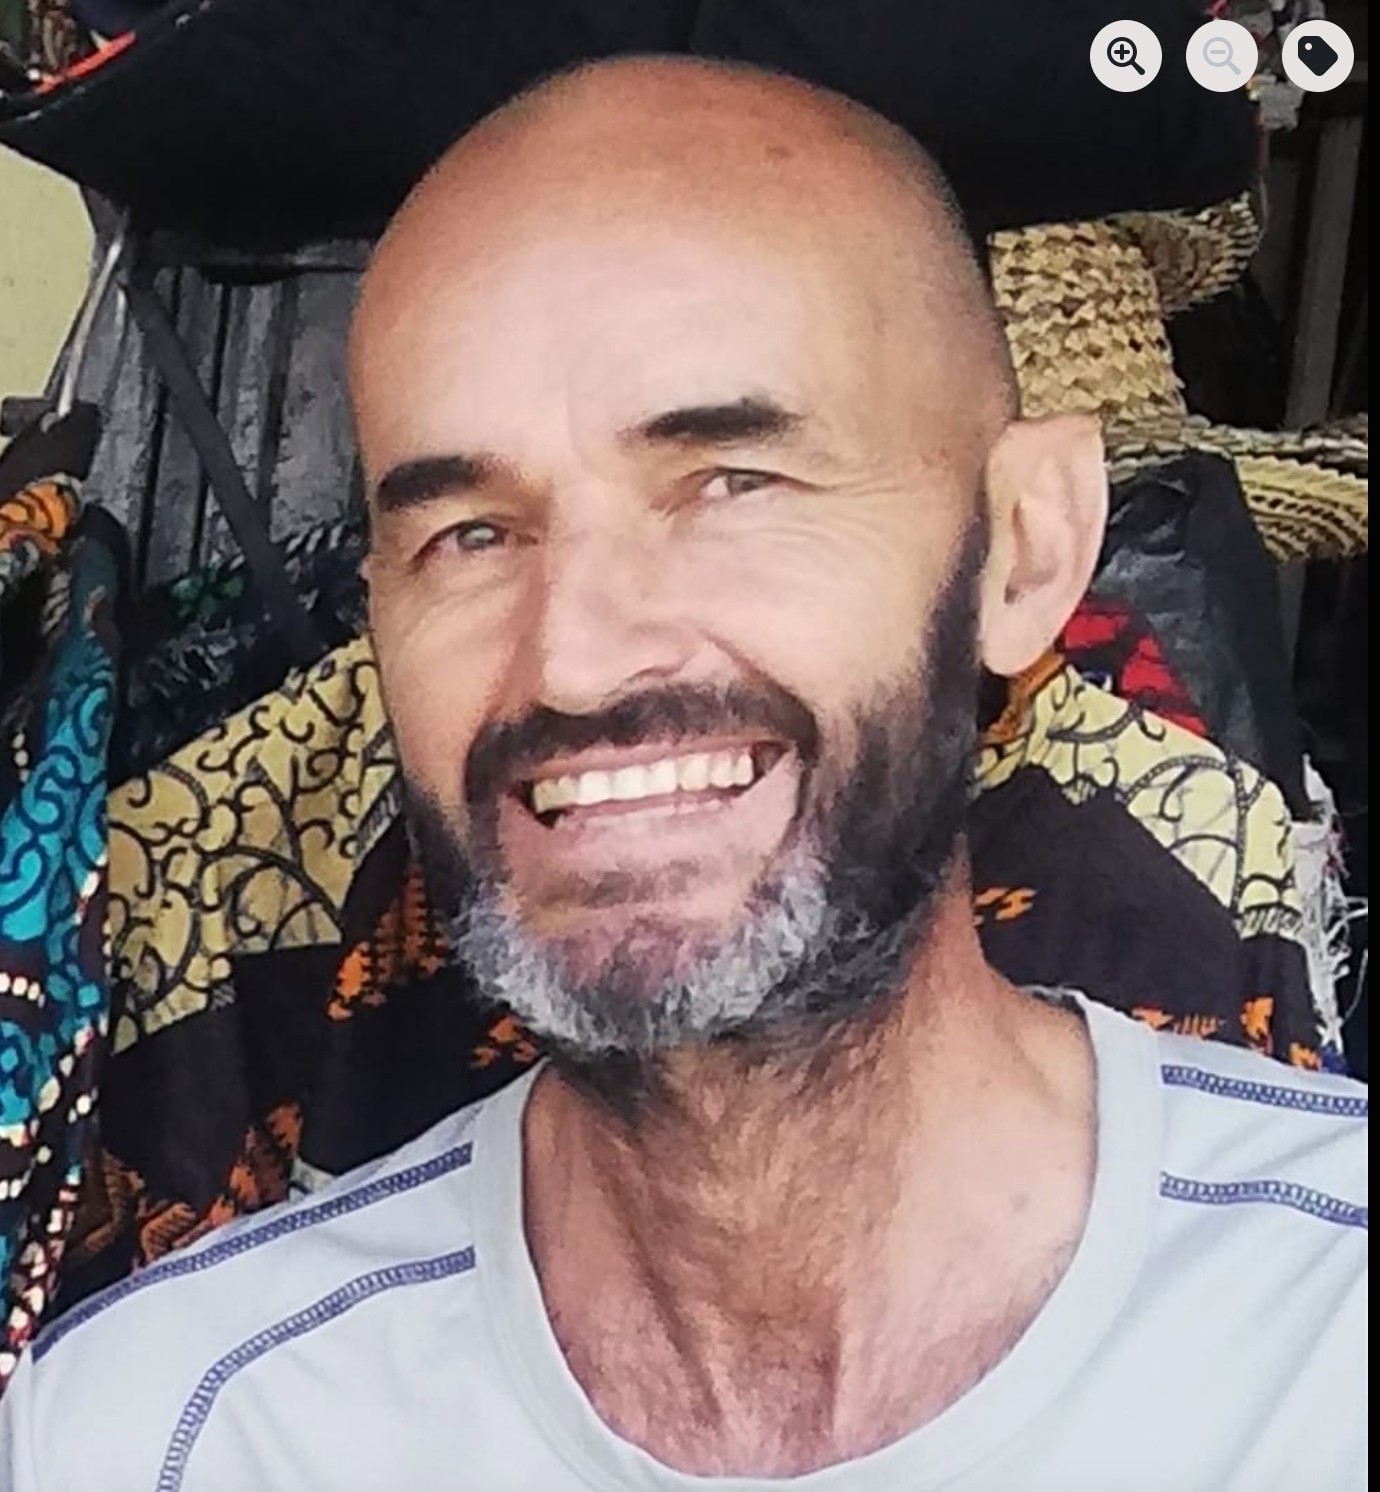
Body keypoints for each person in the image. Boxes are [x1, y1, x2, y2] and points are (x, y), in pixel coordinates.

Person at [1, 56, 1365, 1492]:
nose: (575, 662)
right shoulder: (163, 1436)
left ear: (1024, 550)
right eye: (469, 534)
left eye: (731, 485)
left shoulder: (1324, 1352)